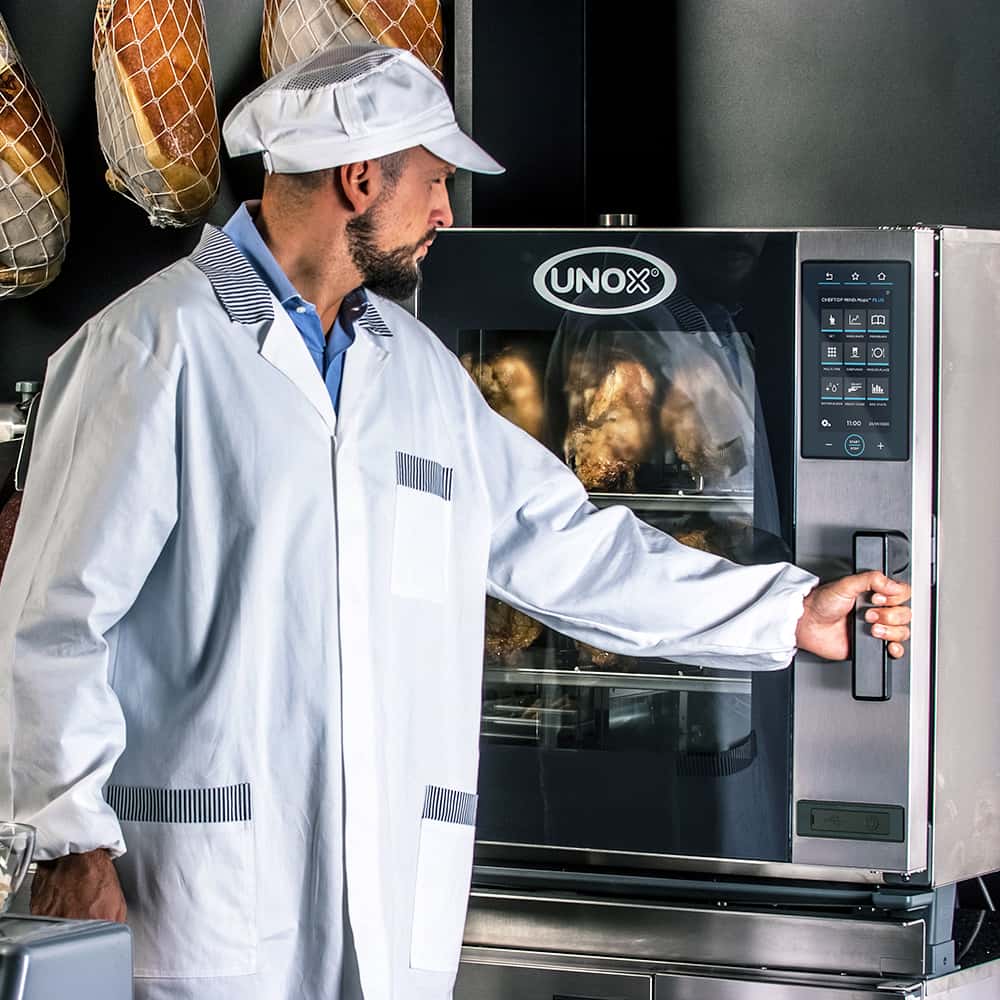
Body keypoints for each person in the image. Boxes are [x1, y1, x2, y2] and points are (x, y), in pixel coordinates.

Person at [0, 44, 911, 1000]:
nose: (445, 212)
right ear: (360, 177)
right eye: (433, 183)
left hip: (388, 903)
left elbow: (564, 544)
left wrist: (782, 614)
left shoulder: (417, 369)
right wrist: (67, 842)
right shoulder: (149, 349)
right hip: (199, 894)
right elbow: (47, 622)